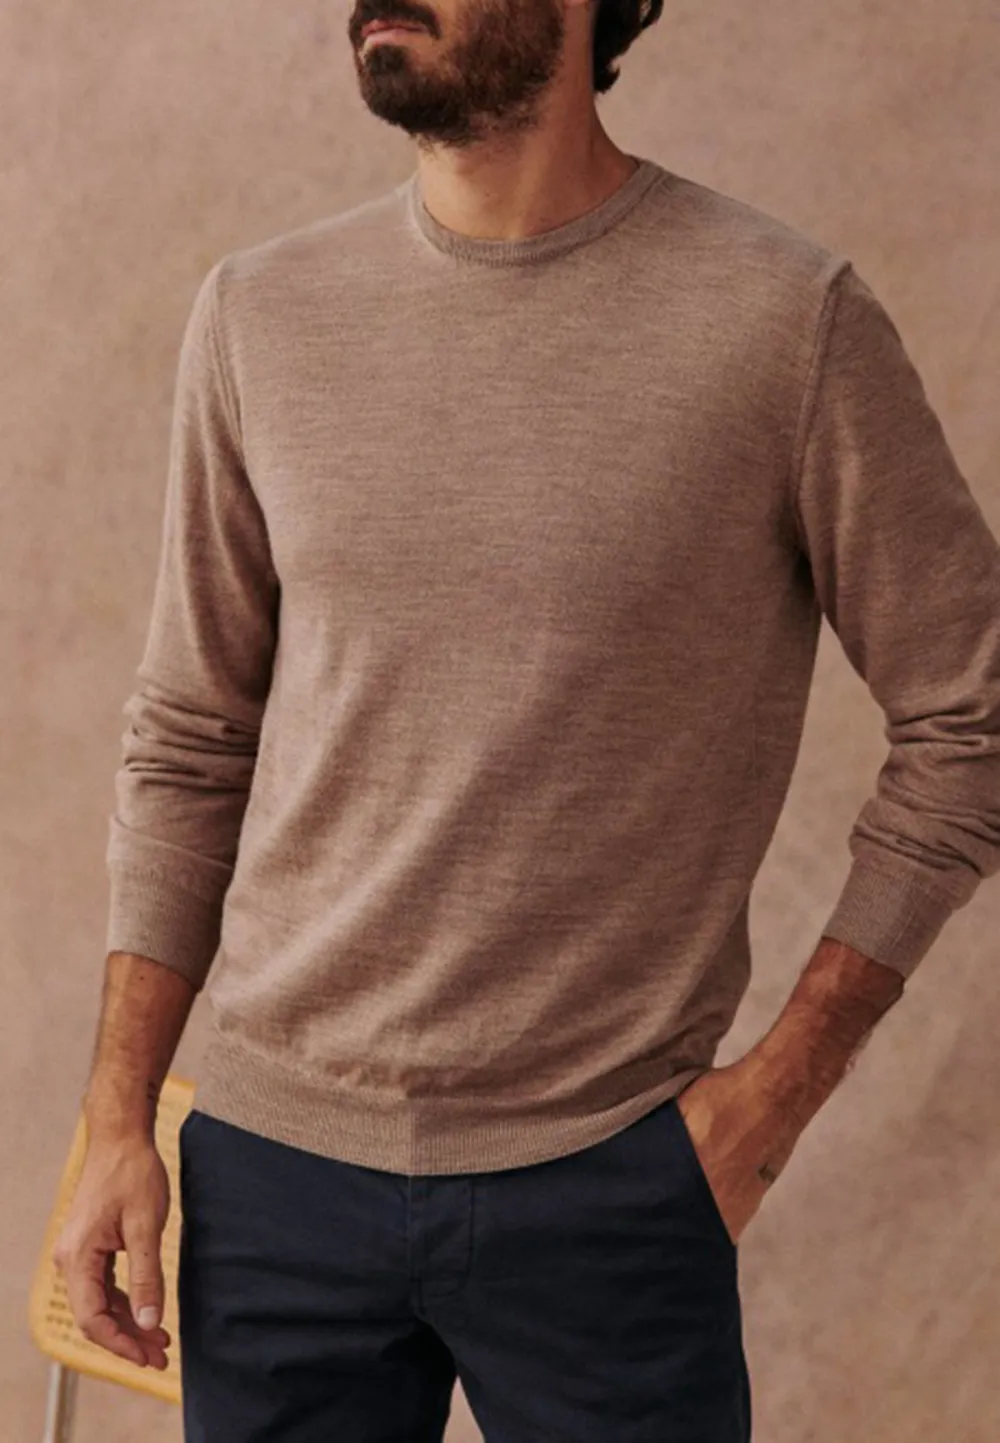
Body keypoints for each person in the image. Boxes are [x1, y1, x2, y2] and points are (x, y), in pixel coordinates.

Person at [55, 0, 1000, 1438]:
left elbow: (970, 714)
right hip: (272, 1175)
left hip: (611, 1182)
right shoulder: (262, 314)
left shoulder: (782, 320)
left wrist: (771, 1102)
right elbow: (190, 737)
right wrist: (117, 1115)